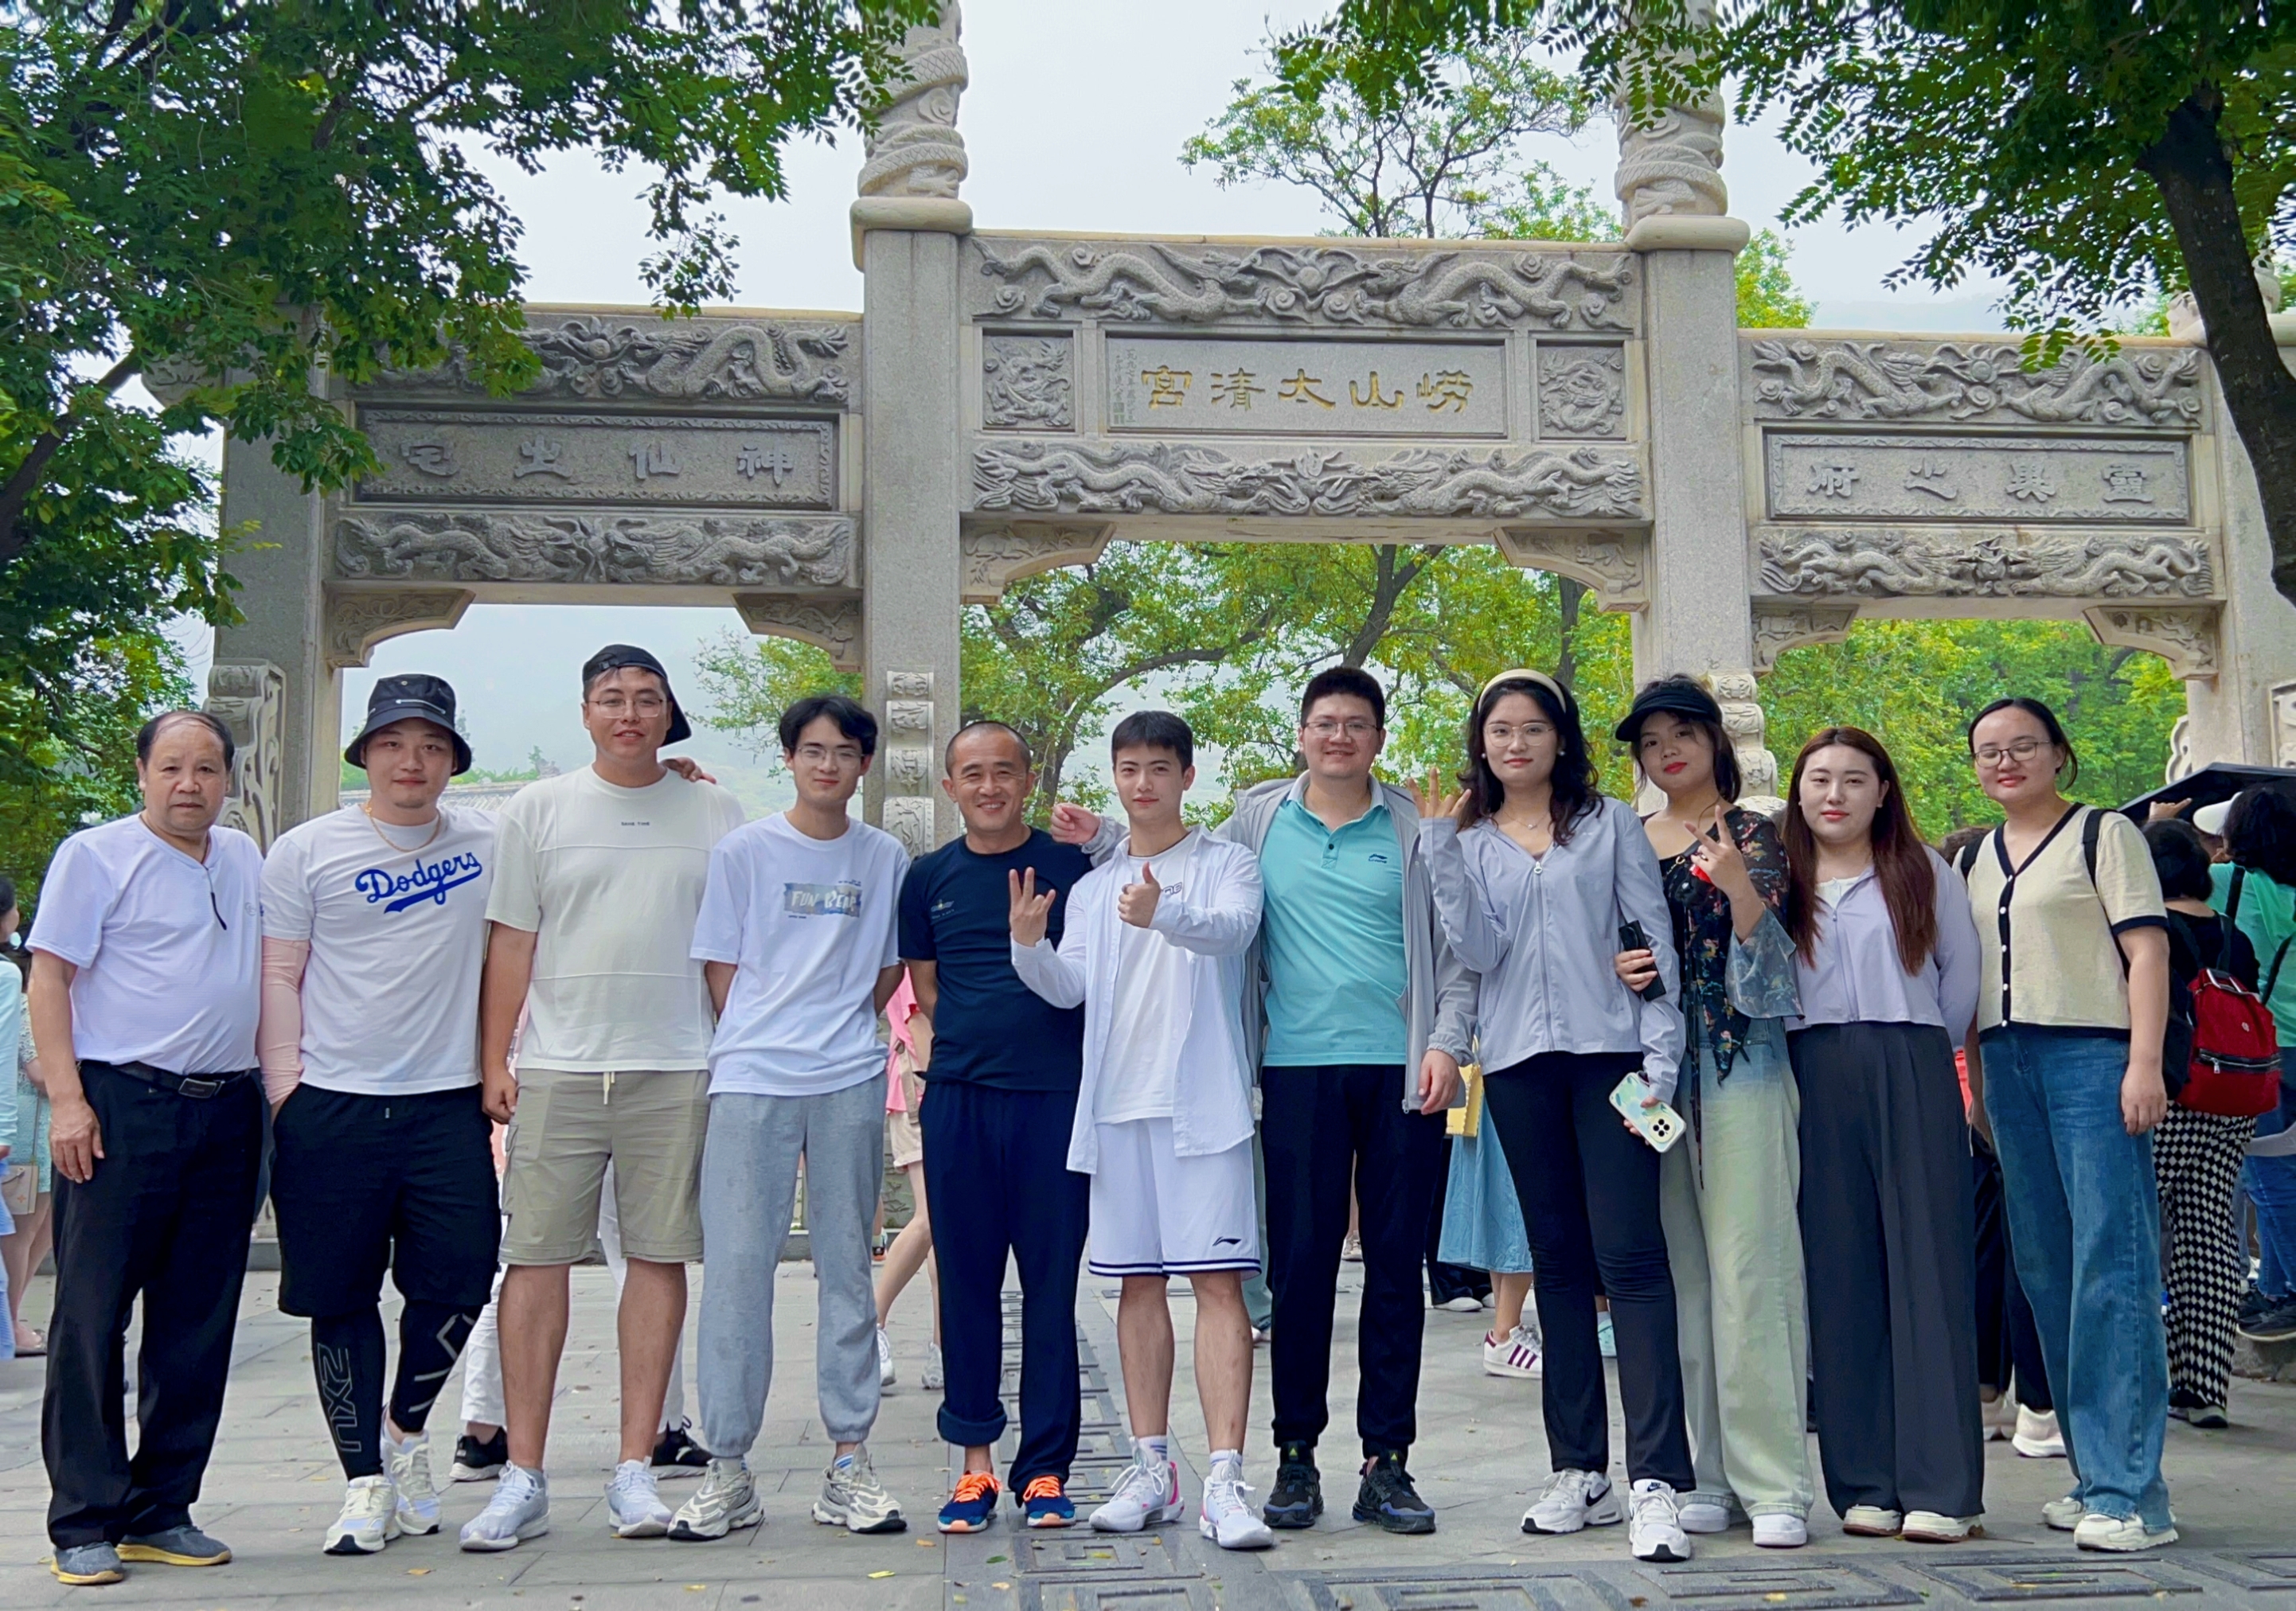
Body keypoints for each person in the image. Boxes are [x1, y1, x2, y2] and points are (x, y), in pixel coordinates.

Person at [1052, 668, 1474, 1535]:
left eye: (1356, 724)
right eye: (1324, 722)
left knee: (1397, 1268)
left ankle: (1387, 1462)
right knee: (1301, 1267)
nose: (1338, 737)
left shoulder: (1413, 825)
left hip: (1401, 1071)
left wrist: (1447, 1041)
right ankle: (1294, 1456)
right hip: (1291, 1067)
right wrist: (1103, 836)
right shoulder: (1259, 819)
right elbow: (1176, 854)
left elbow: (1456, 949)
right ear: (1301, 733)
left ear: (1378, 737)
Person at [462, 646, 744, 1551]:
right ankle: (523, 1473)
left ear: (670, 713)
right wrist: (495, 1059)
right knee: (534, 1260)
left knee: (658, 1257)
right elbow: (511, 942)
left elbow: (728, 948)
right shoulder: (536, 809)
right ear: (585, 712)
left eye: (647, 699)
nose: (630, 713)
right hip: (559, 1066)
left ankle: (635, 1467)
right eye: (612, 698)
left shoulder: (715, 810)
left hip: (678, 1063)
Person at [1414, 669, 1695, 1565]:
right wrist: (1440, 852)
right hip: (1520, 1068)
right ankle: (1579, 1469)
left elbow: (1653, 946)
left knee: (1633, 1261)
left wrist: (1659, 1068)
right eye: (1500, 730)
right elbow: (1477, 954)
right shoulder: (1468, 840)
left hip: (1614, 1063)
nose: (1516, 743)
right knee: (1559, 1268)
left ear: (1560, 738)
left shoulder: (1608, 823)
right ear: (1482, 742)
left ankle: (1658, 1480)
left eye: (1533, 728)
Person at [1011, 711, 1272, 1551]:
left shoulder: (1227, 863)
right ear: (1115, 777)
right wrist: (1027, 948)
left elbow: (1232, 932)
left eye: (1160, 768)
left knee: (1218, 1283)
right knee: (1136, 1285)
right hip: (1118, 1109)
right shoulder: (1095, 889)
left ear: (1186, 776)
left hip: (1205, 1108)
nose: (1143, 783)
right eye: (1129, 768)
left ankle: (1225, 1478)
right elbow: (1069, 986)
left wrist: (1163, 912)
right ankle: (1150, 1466)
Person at [258, 677, 502, 1554]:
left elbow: (581, 826)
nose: (412, 762)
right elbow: (278, 972)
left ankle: (405, 1432)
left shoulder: (489, 841)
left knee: (461, 1278)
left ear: (453, 761)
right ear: (364, 753)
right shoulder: (307, 850)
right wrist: (285, 1094)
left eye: (432, 746)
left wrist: (677, 777)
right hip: (332, 1105)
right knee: (340, 1295)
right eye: (393, 744)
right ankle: (363, 1477)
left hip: (446, 1103)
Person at [666, 693, 912, 1542]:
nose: (827, 765)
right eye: (812, 750)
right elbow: (721, 967)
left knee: (847, 1269)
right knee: (738, 1272)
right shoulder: (745, 851)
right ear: (790, 757)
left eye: (843, 752)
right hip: (752, 1079)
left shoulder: (883, 856)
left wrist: (836, 1027)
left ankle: (848, 1462)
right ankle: (728, 1467)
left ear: (864, 765)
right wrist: (769, 1034)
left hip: (847, 1079)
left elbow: (887, 970)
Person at [28, 710, 263, 1586]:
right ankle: (84, 1518)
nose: (188, 784)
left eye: (206, 768)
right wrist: (67, 1101)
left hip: (227, 1109)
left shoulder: (243, 857)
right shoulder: (96, 856)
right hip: (122, 1106)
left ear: (228, 779)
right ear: (140, 773)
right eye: (171, 767)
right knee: (92, 1315)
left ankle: (162, 1506)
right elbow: (49, 976)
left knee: (197, 1316)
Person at [1959, 696, 2174, 1552]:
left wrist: (2144, 1062)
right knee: (2046, 1271)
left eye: (2023, 745)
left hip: (2094, 1057)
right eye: (1988, 750)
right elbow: (1968, 978)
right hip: (2006, 1063)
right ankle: (2094, 1477)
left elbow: (2147, 950)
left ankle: (2134, 1495)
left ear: (2058, 752)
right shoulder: (1973, 856)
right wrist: (1977, 1085)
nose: (2005, 761)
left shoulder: (2103, 834)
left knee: (2111, 1269)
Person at [1613, 678, 1814, 1549]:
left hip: (1741, 1059)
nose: (1667, 751)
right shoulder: (1624, 839)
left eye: (1682, 734)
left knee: (1751, 1267)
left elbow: (1778, 972)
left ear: (1714, 741)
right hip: (1651, 1075)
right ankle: (1709, 1473)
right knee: (1684, 1274)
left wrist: (1739, 891)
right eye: (1651, 740)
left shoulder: (1754, 832)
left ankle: (1775, 1482)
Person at [1782, 727, 1984, 1542]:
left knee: (1928, 1265)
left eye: (1854, 779)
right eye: (1819, 779)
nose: (1834, 794)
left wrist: (1915, 1052)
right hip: (1811, 1068)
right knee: (1840, 1271)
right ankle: (1864, 1480)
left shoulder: (1923, 870)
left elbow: (1959, 984)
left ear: (1883, 791)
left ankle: (1942, 1485)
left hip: (1910, 1059)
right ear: (1798, 791)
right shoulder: (1778, 879)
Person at [904, 722, 1095, 1532]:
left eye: (1004, 772)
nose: (990, 787)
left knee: (1051, 1287)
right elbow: (928, 989)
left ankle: (1045, 1469)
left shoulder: (1072, 867)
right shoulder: (928, 877)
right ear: (950, 786)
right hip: (960, 1099)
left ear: (1028, 780)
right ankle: (974, 1465)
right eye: (973, 774)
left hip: (1054, 1099)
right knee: (967, 1281)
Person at [2146, 817, 2261, 1425]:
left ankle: (2147, 1371)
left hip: (2170, 1093)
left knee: (2139, 1228)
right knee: (2210, 1232)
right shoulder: (2232, 934)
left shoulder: (2149, 931)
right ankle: (2204, 1386)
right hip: (2233, 1096)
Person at [2209, 787, 2296, 1345]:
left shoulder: (2226, 881)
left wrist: (2154, 823)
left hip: (2262, 1048)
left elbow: (2157, 872)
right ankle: (2275, 1288)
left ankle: (2293, 1291)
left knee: (2267, 1174)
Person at [1431, 1067, 1539, 1379]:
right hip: (1517, 1073)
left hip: (1490, 1078)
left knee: (1498, 1196)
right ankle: (1506, 1331)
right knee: (1520, 1200)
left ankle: (1505, 1328)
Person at [873, 975, 940, 1395]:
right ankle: (872, 1326)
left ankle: (943, 1346)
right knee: (931, 1219)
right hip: (920, 1088)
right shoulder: (913, 962)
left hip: (922, 1086)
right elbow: (919, 1025)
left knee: (946, 1229)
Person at [0, 876, 45, 1359]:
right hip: (26, 1132)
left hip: (28, 1131)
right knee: (21, 1231)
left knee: (31, 1229)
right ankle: (10, 1321)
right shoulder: (14, 985)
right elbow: (35, 1069)